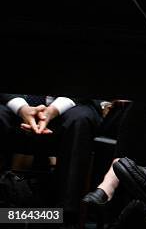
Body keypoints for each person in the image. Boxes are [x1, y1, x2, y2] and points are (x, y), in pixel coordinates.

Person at [0, 93, 102, 227]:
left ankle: (65, 215)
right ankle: (3, 210)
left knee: (80, 119)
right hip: (14, 105)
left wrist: (54, 110)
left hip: (69, 104)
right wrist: (21, 108)